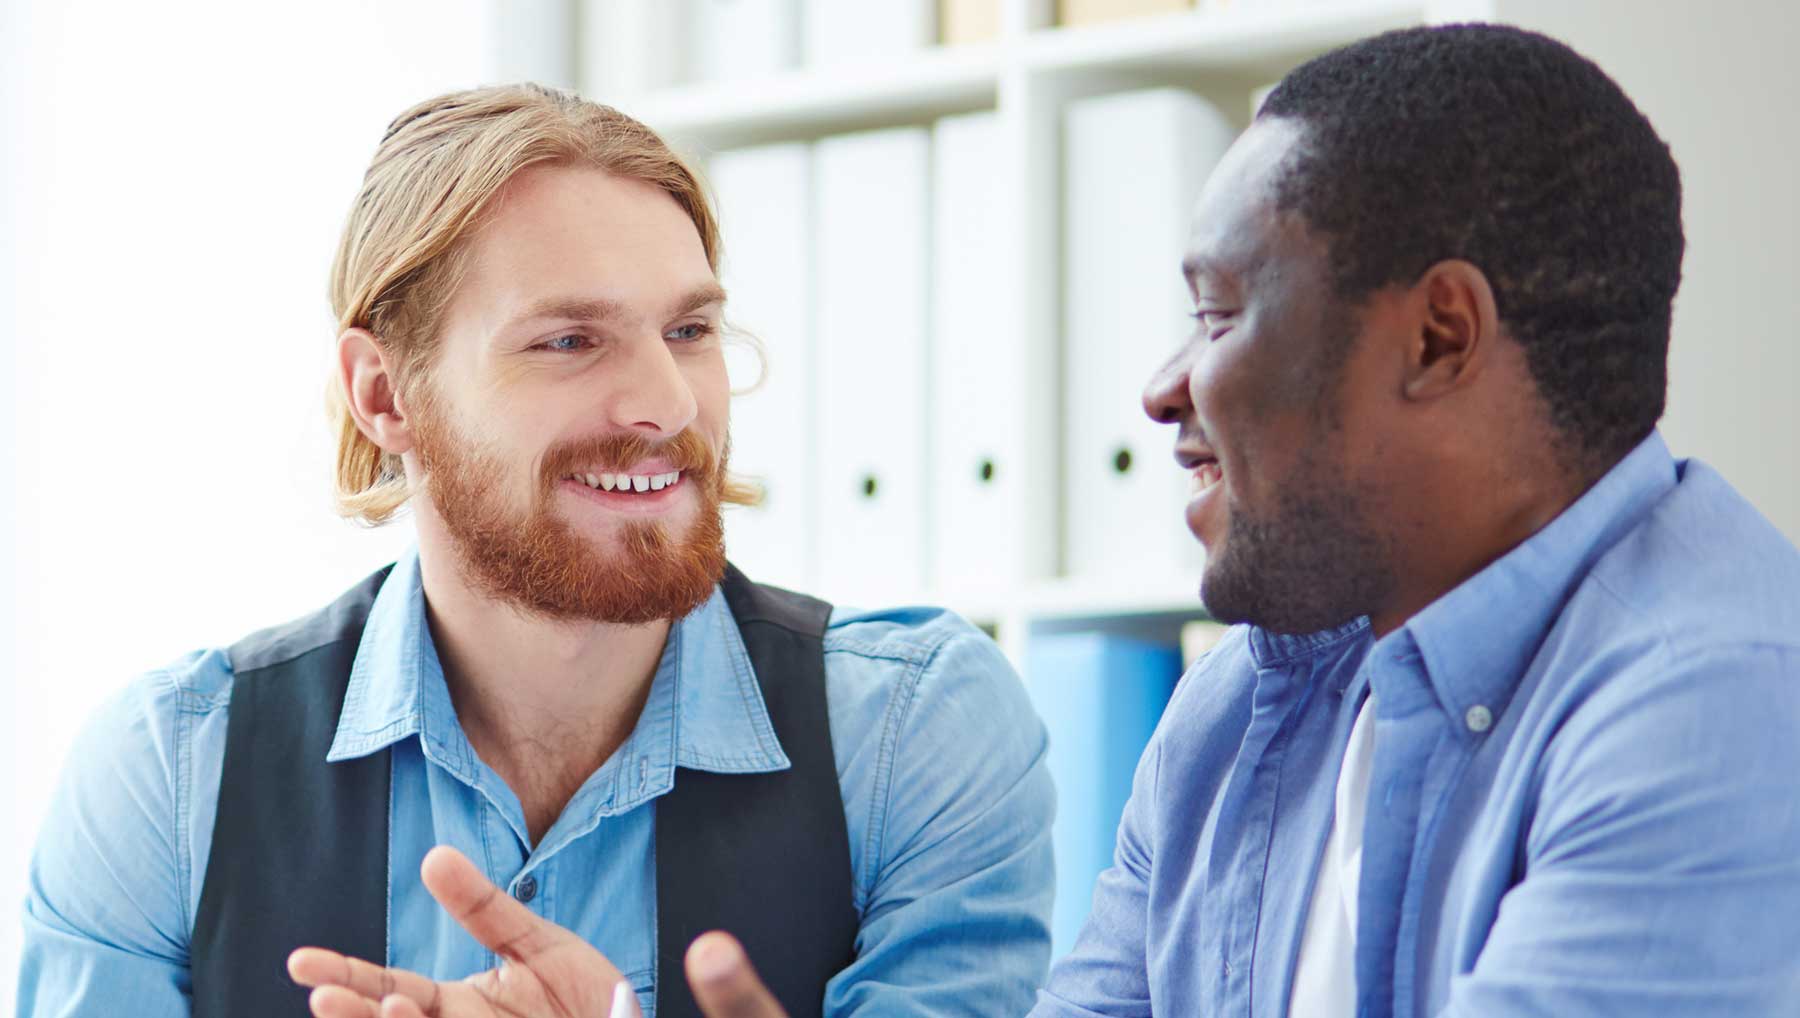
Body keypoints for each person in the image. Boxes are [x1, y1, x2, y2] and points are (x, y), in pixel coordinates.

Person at [285, 23, 1800, 1018]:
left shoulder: (1719, 702)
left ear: (1438, 337)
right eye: (567, 338)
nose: (1160, 388)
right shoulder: (1240, 712)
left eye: (1215, 312)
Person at [16, 85, 1057, 1018]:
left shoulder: (911, 735)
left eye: (689, 332)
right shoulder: (171, 771)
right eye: (568, 341)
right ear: (385, 393)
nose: (664, 403)